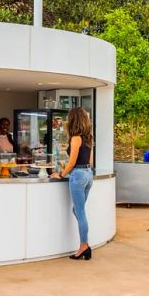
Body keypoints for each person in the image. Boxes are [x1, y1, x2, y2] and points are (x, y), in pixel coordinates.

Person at [50, 107, 93, 260]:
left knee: (80, 212)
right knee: (78, 210)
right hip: (88, 174)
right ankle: (85, 245)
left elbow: (72, 162)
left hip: (78, 175)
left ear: (73, 120)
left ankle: (84, 246)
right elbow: (90, 161)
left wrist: (60, 174)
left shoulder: (76, 138)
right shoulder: (88, 137)